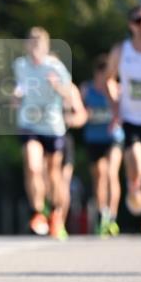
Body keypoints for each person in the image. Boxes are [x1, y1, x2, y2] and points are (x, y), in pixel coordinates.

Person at [12, 28, 72, 239]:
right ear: (27, 46)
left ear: (46, 47)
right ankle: (37, 212)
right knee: (32, 165)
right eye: (32, 44)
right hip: (29, 124)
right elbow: (20, 87)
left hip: (53, 126)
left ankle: (55, 213)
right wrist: (16, 97)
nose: (35, 49)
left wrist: (57, 86)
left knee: (53, 173)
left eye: (39, 45)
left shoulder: (55, 66)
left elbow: (69, 94)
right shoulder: (20, 65)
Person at [105, 5, 141, 231]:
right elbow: (109, 79)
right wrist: (115, 108)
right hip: (131, 118)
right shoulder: (122, 51)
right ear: (131, 25)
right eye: (138, 20)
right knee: (138, 166)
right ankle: (134, 185)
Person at [80, 55, 124, 236]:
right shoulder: (87, 89)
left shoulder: (117, 89)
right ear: (96, 74)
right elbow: (77, 110)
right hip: (93, 138)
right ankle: (101, 214)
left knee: (111, 172)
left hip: (113, 137)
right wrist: (84, 113)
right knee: (99, 176)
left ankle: (112, 217)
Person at [54, 81, 88, 239]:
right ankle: (48, 213)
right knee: (49, 181)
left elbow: (82, 115)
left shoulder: (69, 88)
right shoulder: (34, 86)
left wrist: (70, 120)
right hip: (42, 138)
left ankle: (59, 221)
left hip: (63, 138)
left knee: (64, 182)